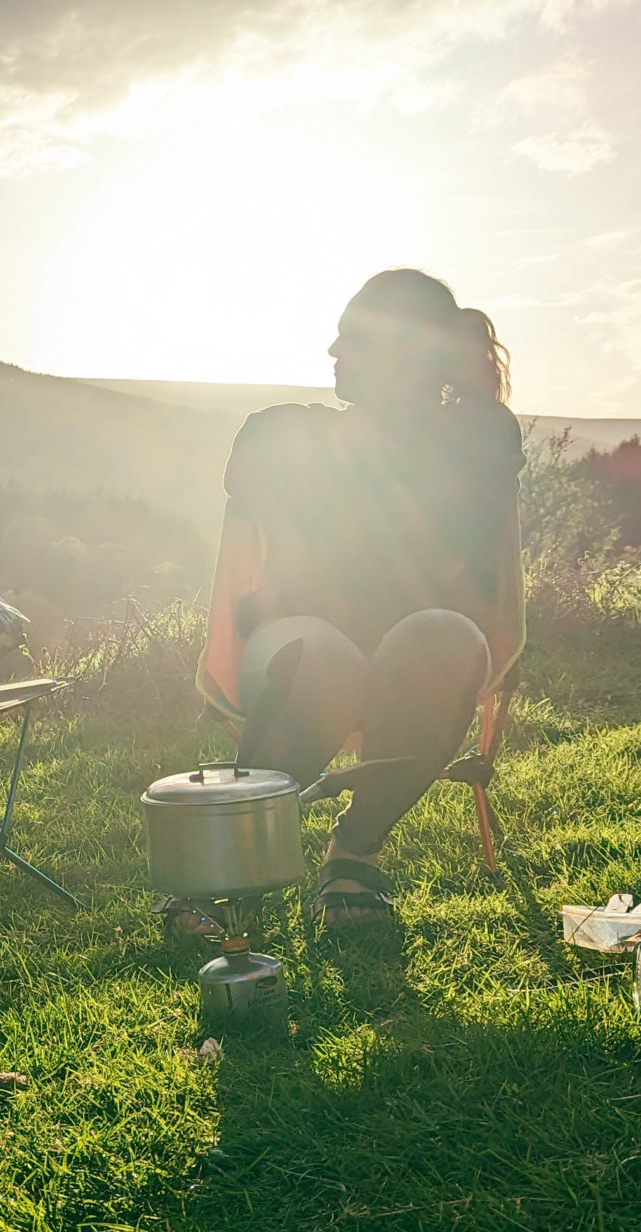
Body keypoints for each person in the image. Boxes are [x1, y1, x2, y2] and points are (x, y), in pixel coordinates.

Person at [195, 269, 524, 928]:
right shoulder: (282, 434)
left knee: (441, 637)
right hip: (290, 656)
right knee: (327, 658)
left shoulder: (480, 438)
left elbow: (468, 543)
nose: (331, 352)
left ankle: (354, 852)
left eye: (351, 339)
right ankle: (221, 867)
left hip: (416, 668)